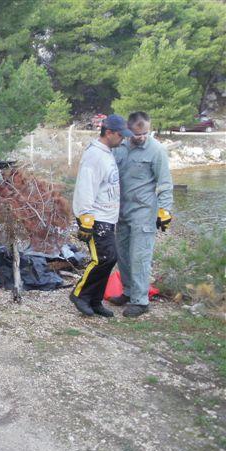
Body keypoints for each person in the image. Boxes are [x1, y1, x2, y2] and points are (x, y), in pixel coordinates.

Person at [109, 112, 173, 317]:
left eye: (145, 133)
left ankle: (141, 300)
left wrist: (164, 210)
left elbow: (164, 184)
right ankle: (128, 292)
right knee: (123, 255)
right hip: (122, 212)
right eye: (137, 134)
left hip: (144, 213)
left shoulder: (157, 151)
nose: (141, 137)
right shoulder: (121, 147)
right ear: (128, 130)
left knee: (140, 257)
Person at [70, 114, 133, 317]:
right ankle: (80, 294)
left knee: (110, 258)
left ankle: (95, 300)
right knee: (102, 258)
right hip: (94, 218)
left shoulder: (107, 152)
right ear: (109, 133)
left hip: (106, 217)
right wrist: (86, 219)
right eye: (120, 135)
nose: (123, 138)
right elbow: (85, 187)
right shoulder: (94, 156)